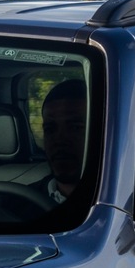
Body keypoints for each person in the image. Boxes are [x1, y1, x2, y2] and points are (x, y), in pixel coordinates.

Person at [39, 77, 91, 226]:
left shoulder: (123, 203)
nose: (60, 140)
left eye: (75, 127)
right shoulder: (12, 204)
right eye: (50, 129)